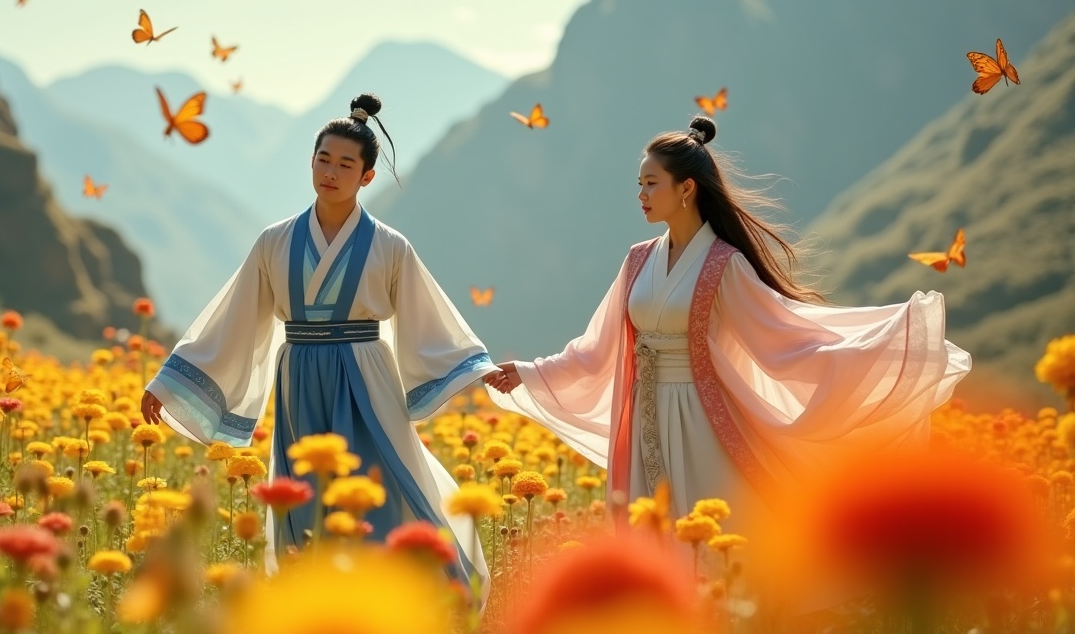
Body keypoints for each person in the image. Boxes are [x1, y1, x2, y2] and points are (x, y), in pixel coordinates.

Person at [484, 115, 971, 532]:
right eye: (639, 184)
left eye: (651, 183)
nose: (641, 194)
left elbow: (782, 338)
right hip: (642, 417)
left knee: (711, 532)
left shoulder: (724, 264)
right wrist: (528, 371)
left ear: (687, 188)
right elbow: (596, 349)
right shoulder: (636, 262)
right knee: (650, 532)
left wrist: (879, 350)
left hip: (701, 420)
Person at [140, 93, 498, 585]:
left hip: (367, 378)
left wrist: (474, 365)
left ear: (366, 176)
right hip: (300, 377)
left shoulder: (390, 246)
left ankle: (410, 597)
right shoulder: (275, 241)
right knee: (303, 499)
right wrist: (170, 382)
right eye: (323, 159)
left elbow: (427, 315)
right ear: (311, 162)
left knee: (380, 488)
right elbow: (235, 316)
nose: (331, 171)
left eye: (345, 164)